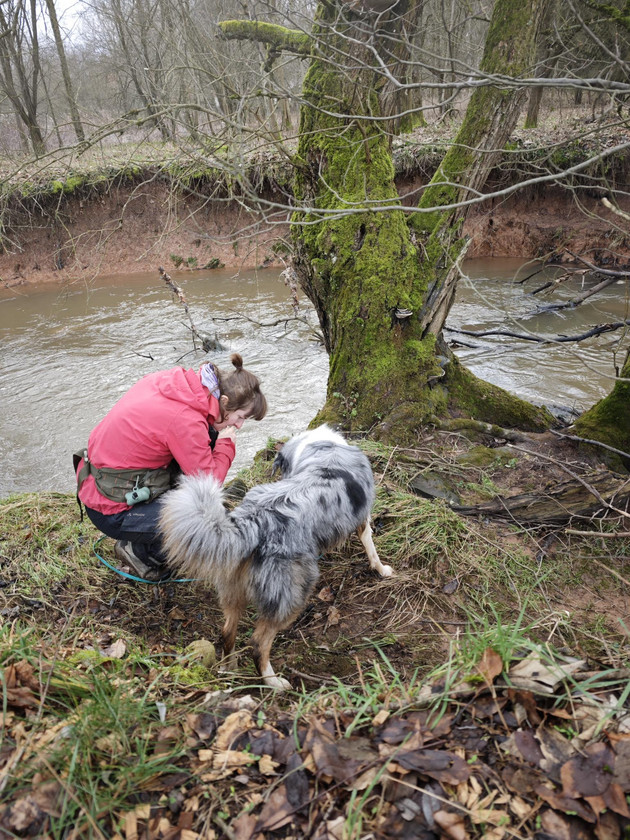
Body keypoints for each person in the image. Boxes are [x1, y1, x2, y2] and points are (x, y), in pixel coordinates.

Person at [75, 353, 266, 581]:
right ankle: (142, 553)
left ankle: (142, 535)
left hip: (97, 485)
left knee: (211, 434)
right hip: (111, 511)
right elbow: (208, 485)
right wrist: (226, 446)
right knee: (207, 521)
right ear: (224, 402)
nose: (240, 425)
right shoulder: (185, 419)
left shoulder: (179, 386)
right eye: (240, 417)